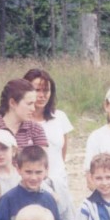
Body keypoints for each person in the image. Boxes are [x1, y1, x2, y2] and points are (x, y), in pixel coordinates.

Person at [0, 78, 48, 165]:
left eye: (34, 104)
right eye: (29, 104)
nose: (33, 109)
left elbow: (43, 166)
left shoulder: (35, 130)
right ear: (12, 103)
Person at [23, 68, 74, 198]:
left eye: (46, 90)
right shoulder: (20, 120)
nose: (42, 95)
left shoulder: (60, 117)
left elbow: (62, 149)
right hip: (30, 183)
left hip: (58, 180)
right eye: (37, 90)